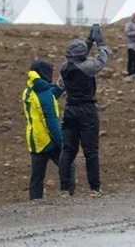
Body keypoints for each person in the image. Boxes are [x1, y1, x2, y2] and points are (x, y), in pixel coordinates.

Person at [58, 24, 112, 197]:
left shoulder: (64, 68)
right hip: (87, 111)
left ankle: (64, 189)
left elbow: (79, 57)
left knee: (67, 151)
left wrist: (88, 41)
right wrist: (100, 42)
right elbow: (103, 58)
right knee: (90, 151)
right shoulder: (88, 68)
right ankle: (95, 188)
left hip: (70, 110)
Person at [23, 59, 63, 199]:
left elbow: (47, 97)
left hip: (34, 139)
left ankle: (35, 203)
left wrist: (59, 87)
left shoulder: (29, 90)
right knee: (68, 166)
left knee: (37, 177)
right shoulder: (44, 95)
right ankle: (68, 195)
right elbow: (51, 120)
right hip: (48, 140)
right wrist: (61, 142)